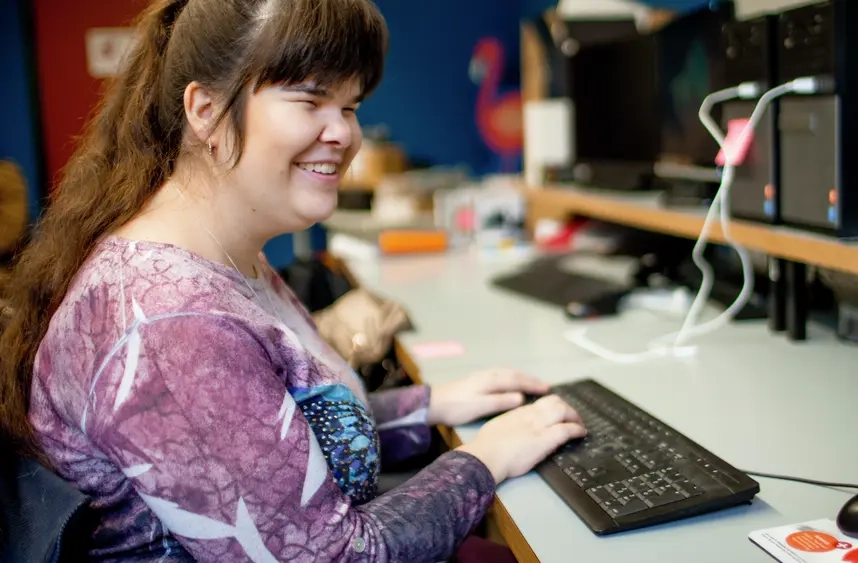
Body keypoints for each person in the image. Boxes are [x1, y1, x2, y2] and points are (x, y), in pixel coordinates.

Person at [0, 0, 587, 561]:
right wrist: (486, 459)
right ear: (204, 109)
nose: (344, 134)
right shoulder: (172, 323)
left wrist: (432, 406)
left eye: (351, 107)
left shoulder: (224, 257)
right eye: (311, 100)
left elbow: (285, 430)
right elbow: (334, 556)